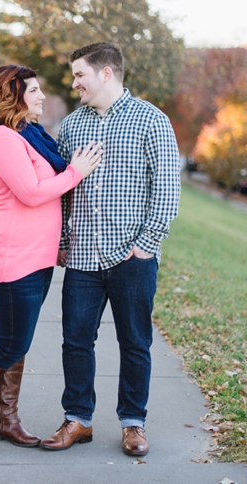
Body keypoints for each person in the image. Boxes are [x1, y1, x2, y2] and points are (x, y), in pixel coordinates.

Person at [0, 65, 102, 449]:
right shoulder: (2, 139)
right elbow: (31, 193)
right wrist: (76, 173)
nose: (42, 96)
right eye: (33, 90)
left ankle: (5, 419)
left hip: (38, 258)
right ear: (12, 96)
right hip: (13, 258)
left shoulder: (29, 136)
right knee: (11, 342)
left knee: (18, 340)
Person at [40, 42, 180, 456]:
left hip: (132, 258)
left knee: (135, 343)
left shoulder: (151, 120)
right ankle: (78, 419)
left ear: (105, 73)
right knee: (75, 341)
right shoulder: (70, 127)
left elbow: (167, 191)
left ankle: (133, 423)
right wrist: (63, 242)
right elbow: (64, 192)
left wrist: (145, 245)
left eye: (80, 74)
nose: (74, 82)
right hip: (82, 258)